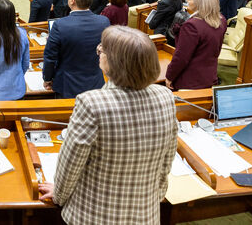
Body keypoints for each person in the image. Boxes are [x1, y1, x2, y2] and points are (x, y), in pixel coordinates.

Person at [38, 26, 176, 225]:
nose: (99, 52)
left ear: (114, 62)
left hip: (94, 217)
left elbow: (70, 165)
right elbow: (166, 161)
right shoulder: (165, 96)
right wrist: (153, 197)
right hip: (146, 216)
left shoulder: (91, 103)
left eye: (102, 49)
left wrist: (58, 195)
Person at [42, 0, 110, 98]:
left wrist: (47, 79)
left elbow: (50, 57)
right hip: (95, 85)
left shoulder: (60, 25)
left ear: (72, 0)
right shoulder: (104, 22)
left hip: (67, 86)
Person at [165, 0, 227, 90]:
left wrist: (169, 76)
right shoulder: (221, 20)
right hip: (209, 76)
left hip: (190, 80)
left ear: (199, 4)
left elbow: (181, 57)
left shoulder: (192, 26)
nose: (187, 1)